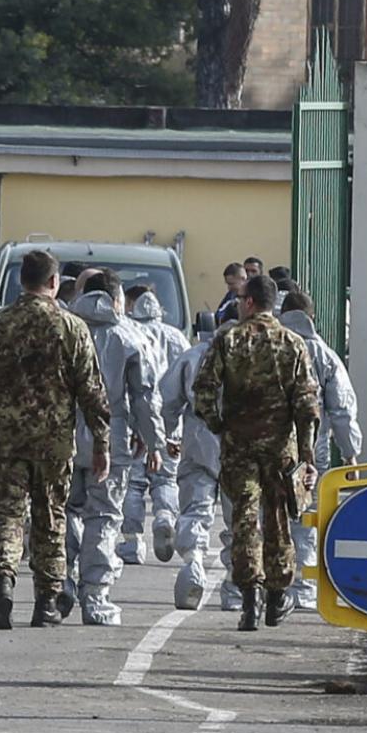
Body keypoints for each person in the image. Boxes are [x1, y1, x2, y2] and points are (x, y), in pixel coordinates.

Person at [0, 250, 111, 630]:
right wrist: (102, 442)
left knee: (7, 514)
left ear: (22, 281)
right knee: (50, 518)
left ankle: (4, 583)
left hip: (5, 440)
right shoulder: (71, 327)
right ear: (55, 283)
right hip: (54, 442)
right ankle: (45, 602)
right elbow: (92, 391)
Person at [193, 275, 319, 631]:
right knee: (279, 521)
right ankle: (277, 600)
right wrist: (307, 454)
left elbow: (203, 390)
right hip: (280, 447)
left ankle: (249, 599)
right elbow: (307, 404)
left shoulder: (228, 340)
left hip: (239, 446)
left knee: (244, 520)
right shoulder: (293, 344)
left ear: (249, 302)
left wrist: (219, 425)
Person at [66, 268, 166, 625]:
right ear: (117, 300)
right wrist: (154, 442)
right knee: (104, 515)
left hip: (62, 438)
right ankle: (95, 595)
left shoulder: (64, 329)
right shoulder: (129, 336)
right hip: (111, 440)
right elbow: (145, 396)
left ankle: (62, 578)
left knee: (63, 511)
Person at [278, 290, 363, 609]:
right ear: (312, 318)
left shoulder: (267, 346)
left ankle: (269, 584)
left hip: (267, 448)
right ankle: (303, 586)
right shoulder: (325, 355)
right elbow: (341, 408)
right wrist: (351, 451)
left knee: (269, 515)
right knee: (307, 516)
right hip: (313, 452)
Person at [160, 319, 237, 610]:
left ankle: (193, 562)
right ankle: (235, 589)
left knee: (195, 508)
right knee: (240, 519)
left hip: (197, 440)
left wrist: (167, 433)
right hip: (239, 445)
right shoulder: (253, 354)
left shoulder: (195, 355)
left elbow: (167, 399)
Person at [119, 284, 190, 565]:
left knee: (133, 484)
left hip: (135, 420)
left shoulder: (129, 334)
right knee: (166, 478)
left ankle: (132, 543)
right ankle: (164, 516)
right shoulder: (176, 338)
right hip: (171, 422)